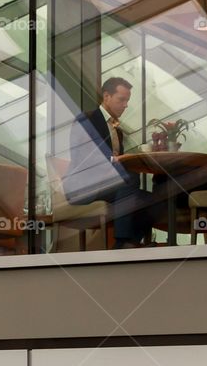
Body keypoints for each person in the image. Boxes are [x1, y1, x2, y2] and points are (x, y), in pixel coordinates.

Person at [62, 77, 162, 248]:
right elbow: (84, 155)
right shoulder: (87, 119)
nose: (125, 105)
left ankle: (131, 242)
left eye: (127, 100)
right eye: (121, 99)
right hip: (84, 186)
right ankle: (122, 241)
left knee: (153, 200)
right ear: (106, 96)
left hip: (109, 185)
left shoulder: (117, 130)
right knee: (130, 177)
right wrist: (115, 160)